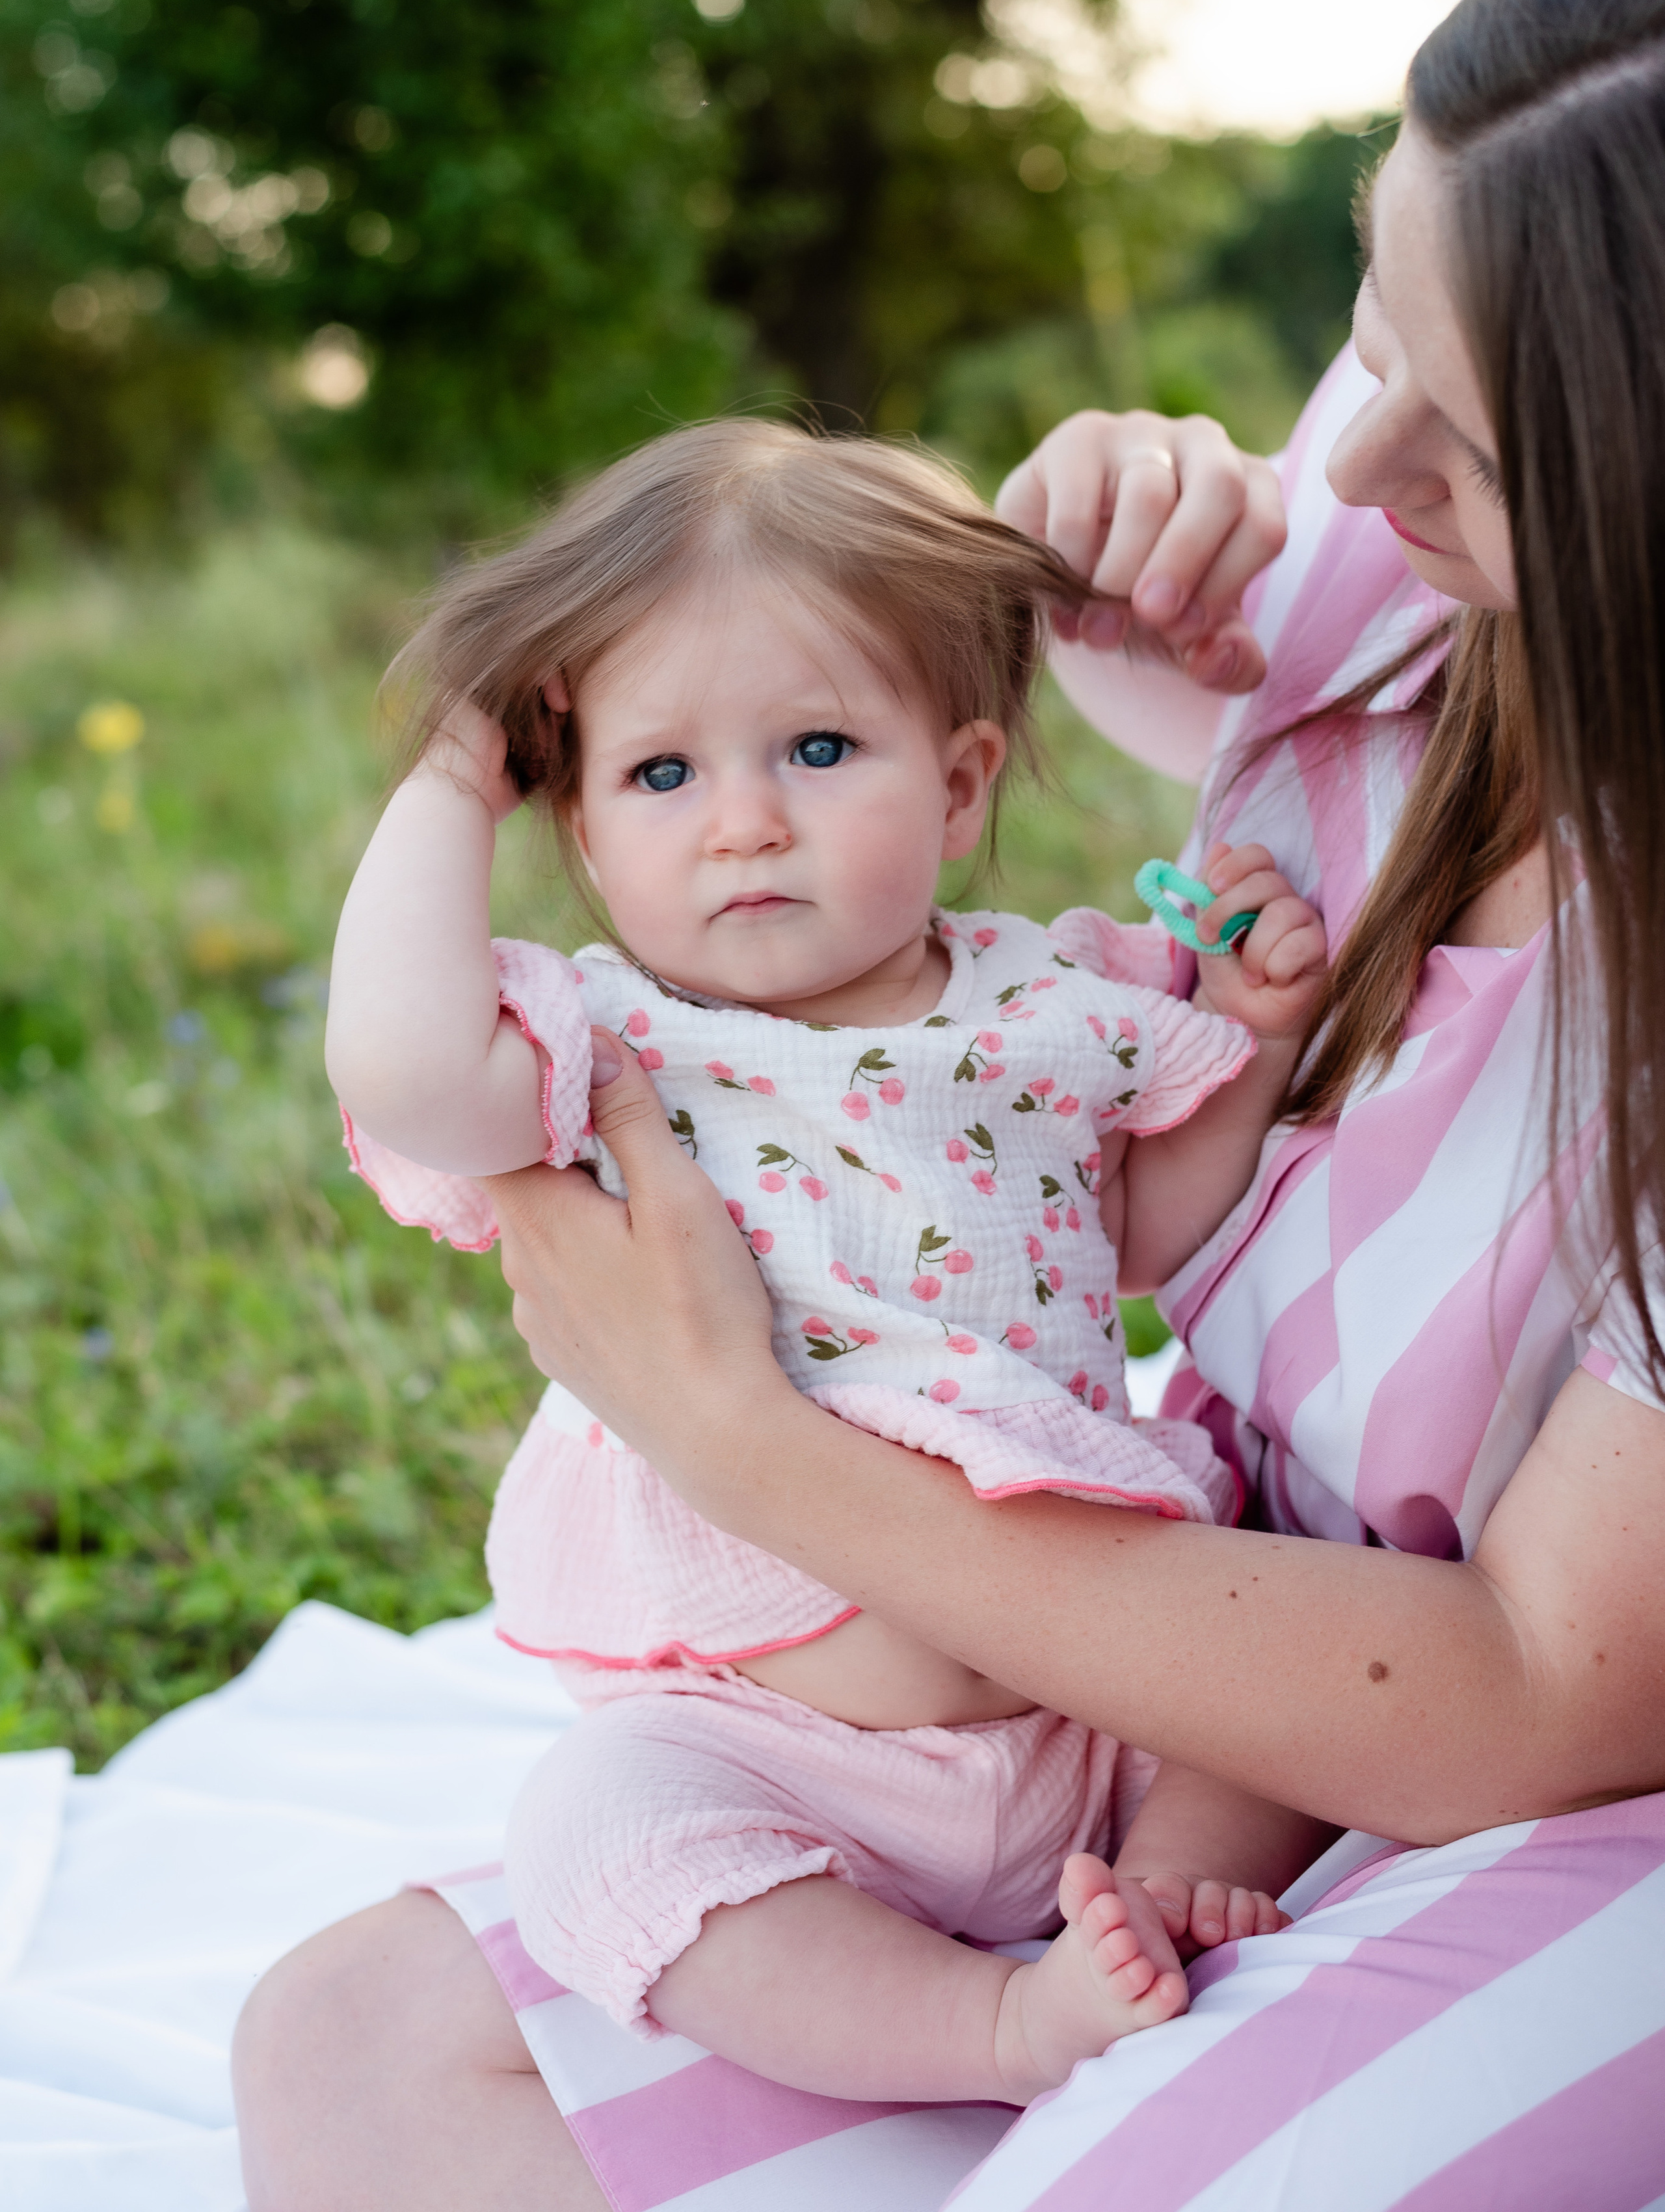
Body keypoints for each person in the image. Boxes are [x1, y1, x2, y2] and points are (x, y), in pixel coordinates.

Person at [234, 0, 1665, 2212]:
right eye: (1364, 327)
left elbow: (1539, 1687)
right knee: (362, 2049)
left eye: (1467, 443)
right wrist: (1134, 523)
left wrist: (746, 1441)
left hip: (1509, 1764)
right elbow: (1163, 650)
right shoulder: (1437, 476)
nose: (1363, 458)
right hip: (1143, 1648)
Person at [321, 420, 1327, 2106]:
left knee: (1296, 1667)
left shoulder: (1047, 1005)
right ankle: (1000, 2033)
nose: (744, 825)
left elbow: (1143, 1230)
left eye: (814, 746)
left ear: (959, 779)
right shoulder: (613, 1043)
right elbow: (406, 1071)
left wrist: (1253, 1028)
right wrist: (444, 779)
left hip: (1100, 1698)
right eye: (662, 774)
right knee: (598, 1831)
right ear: (575, 819)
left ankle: (1161, 1889)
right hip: (787, 1754)